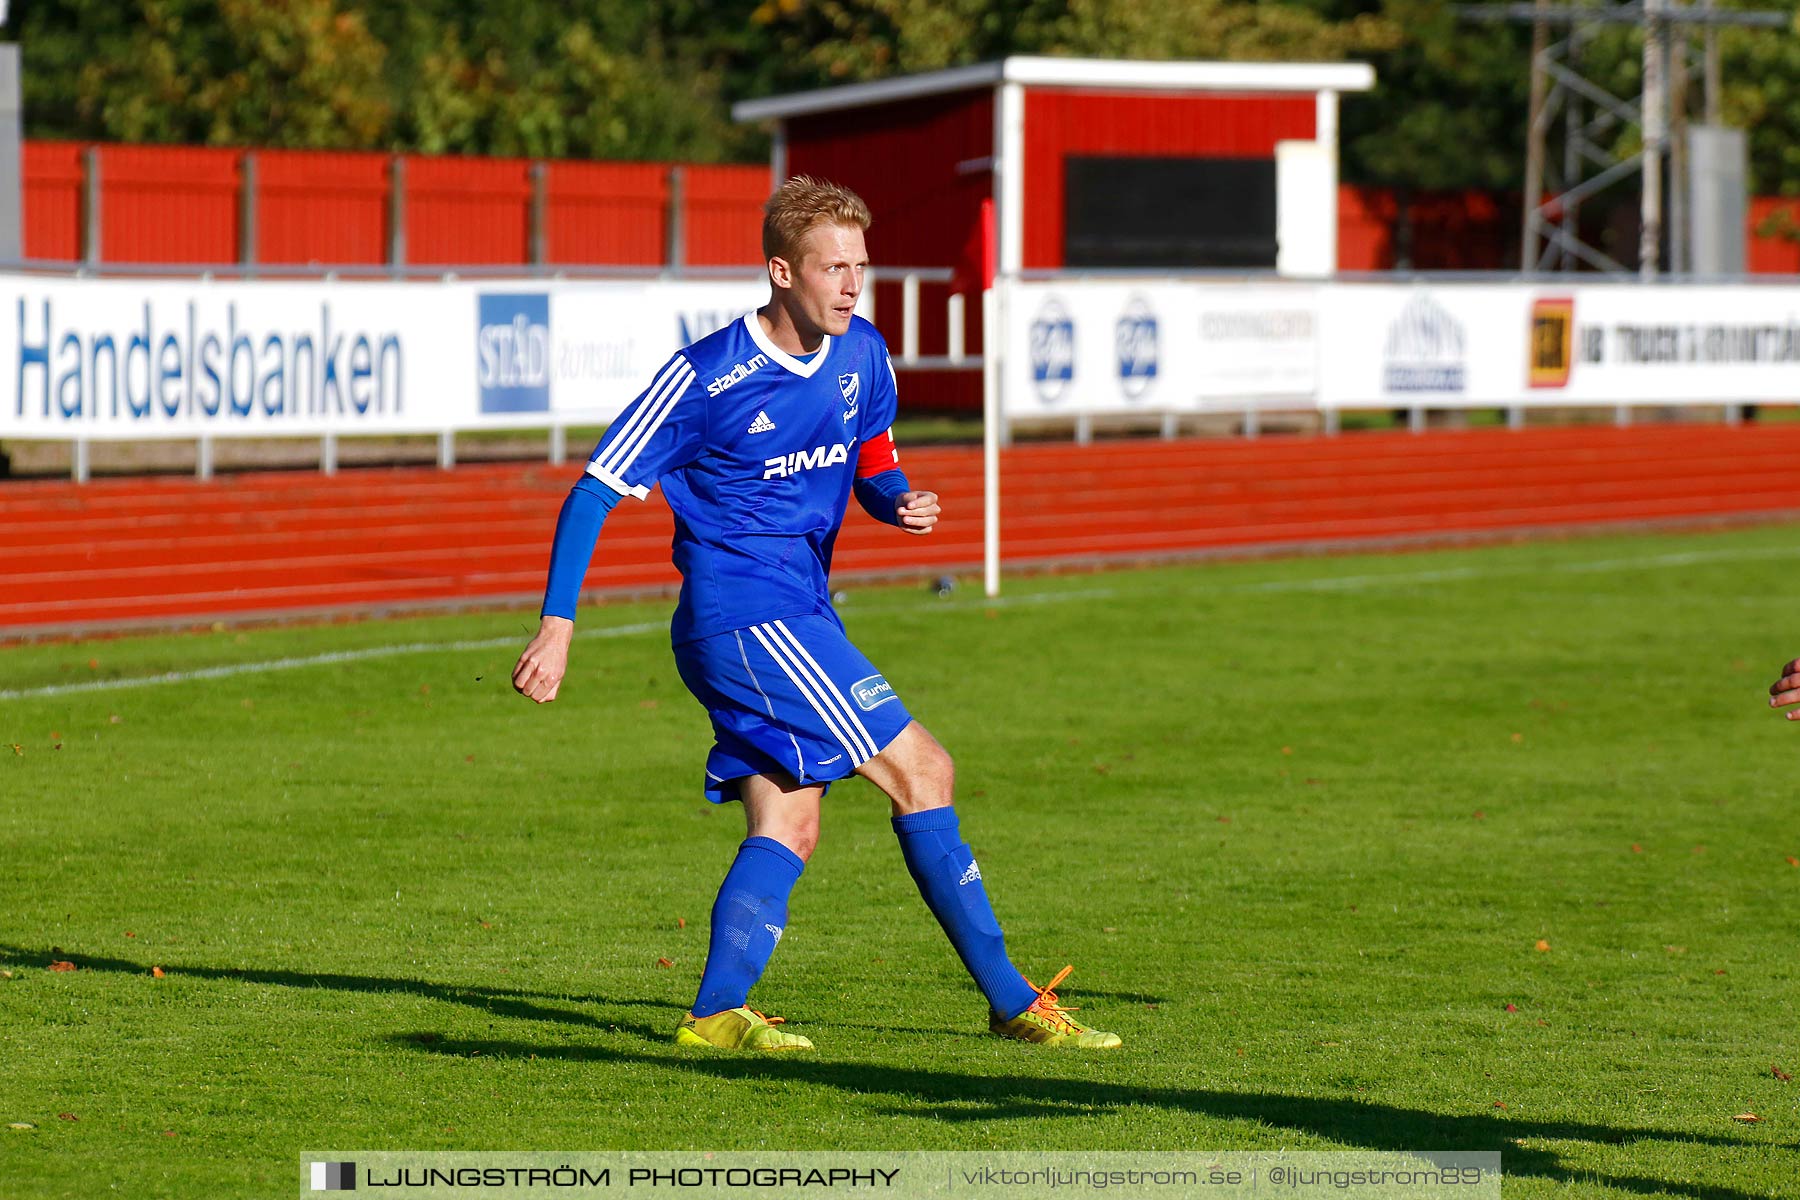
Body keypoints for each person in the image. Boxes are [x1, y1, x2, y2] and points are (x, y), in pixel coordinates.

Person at [511, 176, 1119, 1052]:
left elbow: (872, 460)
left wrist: (898, 500)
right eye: (833, 267)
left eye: (860, 267)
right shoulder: (706, 375)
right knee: (926, 771)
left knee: (790, 820)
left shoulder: (862, 354)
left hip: (797, 609)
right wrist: (559, 624)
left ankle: (717, 1016)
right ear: (780, 272)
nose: (851, 285)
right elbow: (594, 489)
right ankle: (1014, 1003)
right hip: (744, 614)